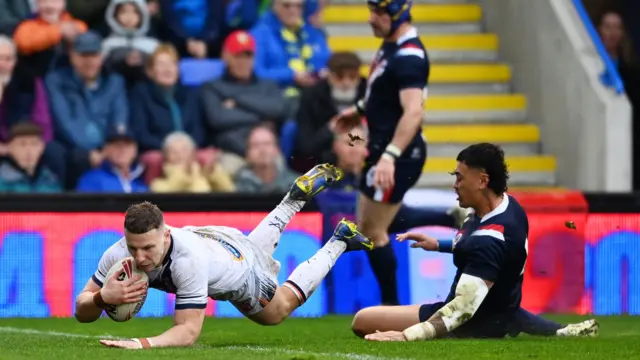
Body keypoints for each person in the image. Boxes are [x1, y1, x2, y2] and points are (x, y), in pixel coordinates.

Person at [74, 163, 374, 349]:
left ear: (165, 235)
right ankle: (292, 200)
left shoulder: (186, 261)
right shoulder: (118, 251)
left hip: (238, 269)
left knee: (276, 311)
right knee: (255, 249)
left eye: (148, 248)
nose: (139, 257)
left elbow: (188, 331)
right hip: (216, 239)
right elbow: (81, 310)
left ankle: (339, 241)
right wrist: (101, 298)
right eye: (133, 247)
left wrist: (141, 344)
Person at [351, 143, 599, 341]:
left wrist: (409, 334)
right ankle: (555, 331)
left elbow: (463, 308)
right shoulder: (508, 206)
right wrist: (439, 244)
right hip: (504, 309)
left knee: (362, 320)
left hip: (475, 321)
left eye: (459, 178)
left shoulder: (490, 237)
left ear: (482, 181)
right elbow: (485, 253)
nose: (455, 184)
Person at [330, 0, 429, 306]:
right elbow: (384, 96)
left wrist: (390, 156)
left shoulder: (409, 56)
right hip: (382, 149)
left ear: (400, 13)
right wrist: (358, 111)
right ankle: (447, 217)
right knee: (370, 225)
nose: (372, 18)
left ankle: (391, 308)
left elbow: (414, 112)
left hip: (399, 155)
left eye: (381, 12)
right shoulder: (391, 45)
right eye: (371, 10)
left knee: (373, 231)